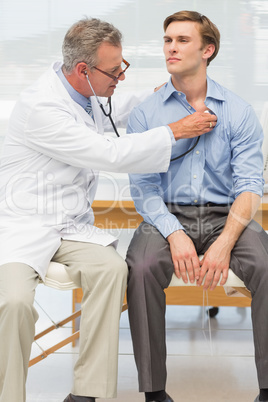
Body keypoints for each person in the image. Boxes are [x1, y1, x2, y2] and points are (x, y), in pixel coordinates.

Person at [0, 17, 217, 402]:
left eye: (122, 67)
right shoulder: (42, 107)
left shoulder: (85, 95)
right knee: (14, 302)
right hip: (24, 226)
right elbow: (109, 152)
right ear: (84, 70)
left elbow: (124, 112)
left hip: (70, 227)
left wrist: (161, 97)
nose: (120, 77)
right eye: (114, 71)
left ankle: (86, 392)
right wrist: (175, 129)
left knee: (113, 269)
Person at [126, 10, 268, 402]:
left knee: (266, 263)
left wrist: (224, 243)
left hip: (229, 214)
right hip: (166, 212)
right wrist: (173, 232)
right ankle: (154, 392)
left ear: (208, 50)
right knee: (141, 266)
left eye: (182, 40)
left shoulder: (238, 111)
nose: (171, 47)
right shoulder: (147, 113)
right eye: (168, 39)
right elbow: (142, 186)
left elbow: (251, 186)